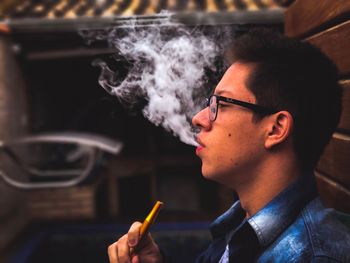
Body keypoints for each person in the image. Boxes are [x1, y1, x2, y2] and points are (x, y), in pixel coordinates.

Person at [107, 28, 350, 262]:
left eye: (220, 105)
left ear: (275, 129)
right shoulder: (239, 225)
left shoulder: (312, 257)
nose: (198, 119)